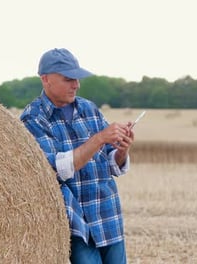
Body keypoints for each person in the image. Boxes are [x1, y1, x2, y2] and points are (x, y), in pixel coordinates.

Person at [20, 48, 134, 264]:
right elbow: (54, 169)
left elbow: (111, 164)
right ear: (45, 79)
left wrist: (122, 150)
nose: (76, 84)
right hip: (76, 224)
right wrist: (99, 138)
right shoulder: (33, 119)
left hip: (107, 214)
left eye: (77, 79)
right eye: (68, 79)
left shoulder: (89, 109)